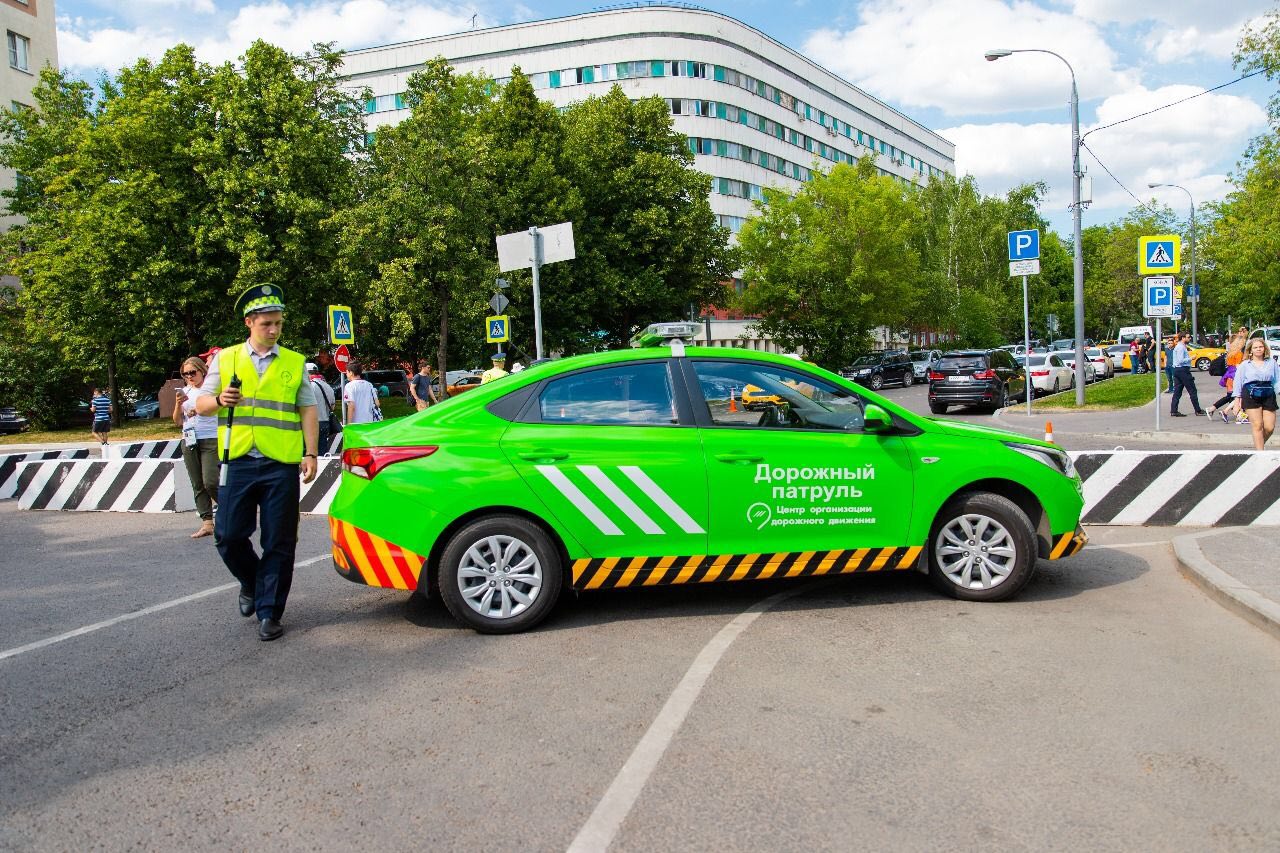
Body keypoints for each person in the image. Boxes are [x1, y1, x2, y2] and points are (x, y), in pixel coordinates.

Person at [194, 284, 319, 642]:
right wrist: (220, 398)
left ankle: (270, 612)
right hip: (239, 461)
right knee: (228, 536)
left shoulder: (294, 362)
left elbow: (307, 410)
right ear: (250, 323)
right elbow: (200, 405)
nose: (274, 330)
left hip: (281, 462)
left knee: (280, 541)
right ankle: (251, 583)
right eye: (267, 324)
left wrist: (310, 452)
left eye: (278, 323)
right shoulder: (227, 358)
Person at [173, 357, 219, 538]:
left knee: (210, 481)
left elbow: (218, 408)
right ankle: (207, 522)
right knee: (197, 483)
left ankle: (232, 509)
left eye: (193, 372)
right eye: (185, 374)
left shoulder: (212, 390)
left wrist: (198, 409)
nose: (189, 376)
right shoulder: (184, 392)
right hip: (190, 439)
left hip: (211, 438)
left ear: (202, 371)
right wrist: (178, 404)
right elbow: (177, 421)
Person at [1232, 337, 1280, 450]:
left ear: (1264, 348)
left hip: (1268, 394)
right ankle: (1260, 453)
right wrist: (1236, 402)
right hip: (1250, 394)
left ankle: (1259, 445)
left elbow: (1277, 380)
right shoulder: (1245, 364)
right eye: (1256, 347)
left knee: (1269, 427)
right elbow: (1238, 383)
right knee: (1257, 425)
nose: (1259, 349)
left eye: (1261, 347)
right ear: (1250, 350)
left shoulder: (1271, 362)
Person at [1207, 331, 1247, 421]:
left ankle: (1215, 409)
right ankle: (1228, 412)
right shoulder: (1239, 353)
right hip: (1235, 375)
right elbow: (1238, 366)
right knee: (1238, 395)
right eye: (1244, 342)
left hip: (1229, 375)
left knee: (1231, 395)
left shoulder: (1230, 353)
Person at [1168, 332, 1205, 417]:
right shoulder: (1181, 347)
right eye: (1188, 337)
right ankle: (1198, 410)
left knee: (1177, 391)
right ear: (1183, 338)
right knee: (1192, 390)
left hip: (1177, 370)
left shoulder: (1179, 346)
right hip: (1183, 370)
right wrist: (1191, 358)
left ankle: (1174, 410)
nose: (1189, 339)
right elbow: (1181, 360)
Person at [307, 362, 337, 455]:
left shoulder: (308, 386)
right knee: (322, 452)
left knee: (309, 453)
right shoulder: (327, 386)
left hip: (311, 424)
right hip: (325, 423)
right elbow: (333, 406)